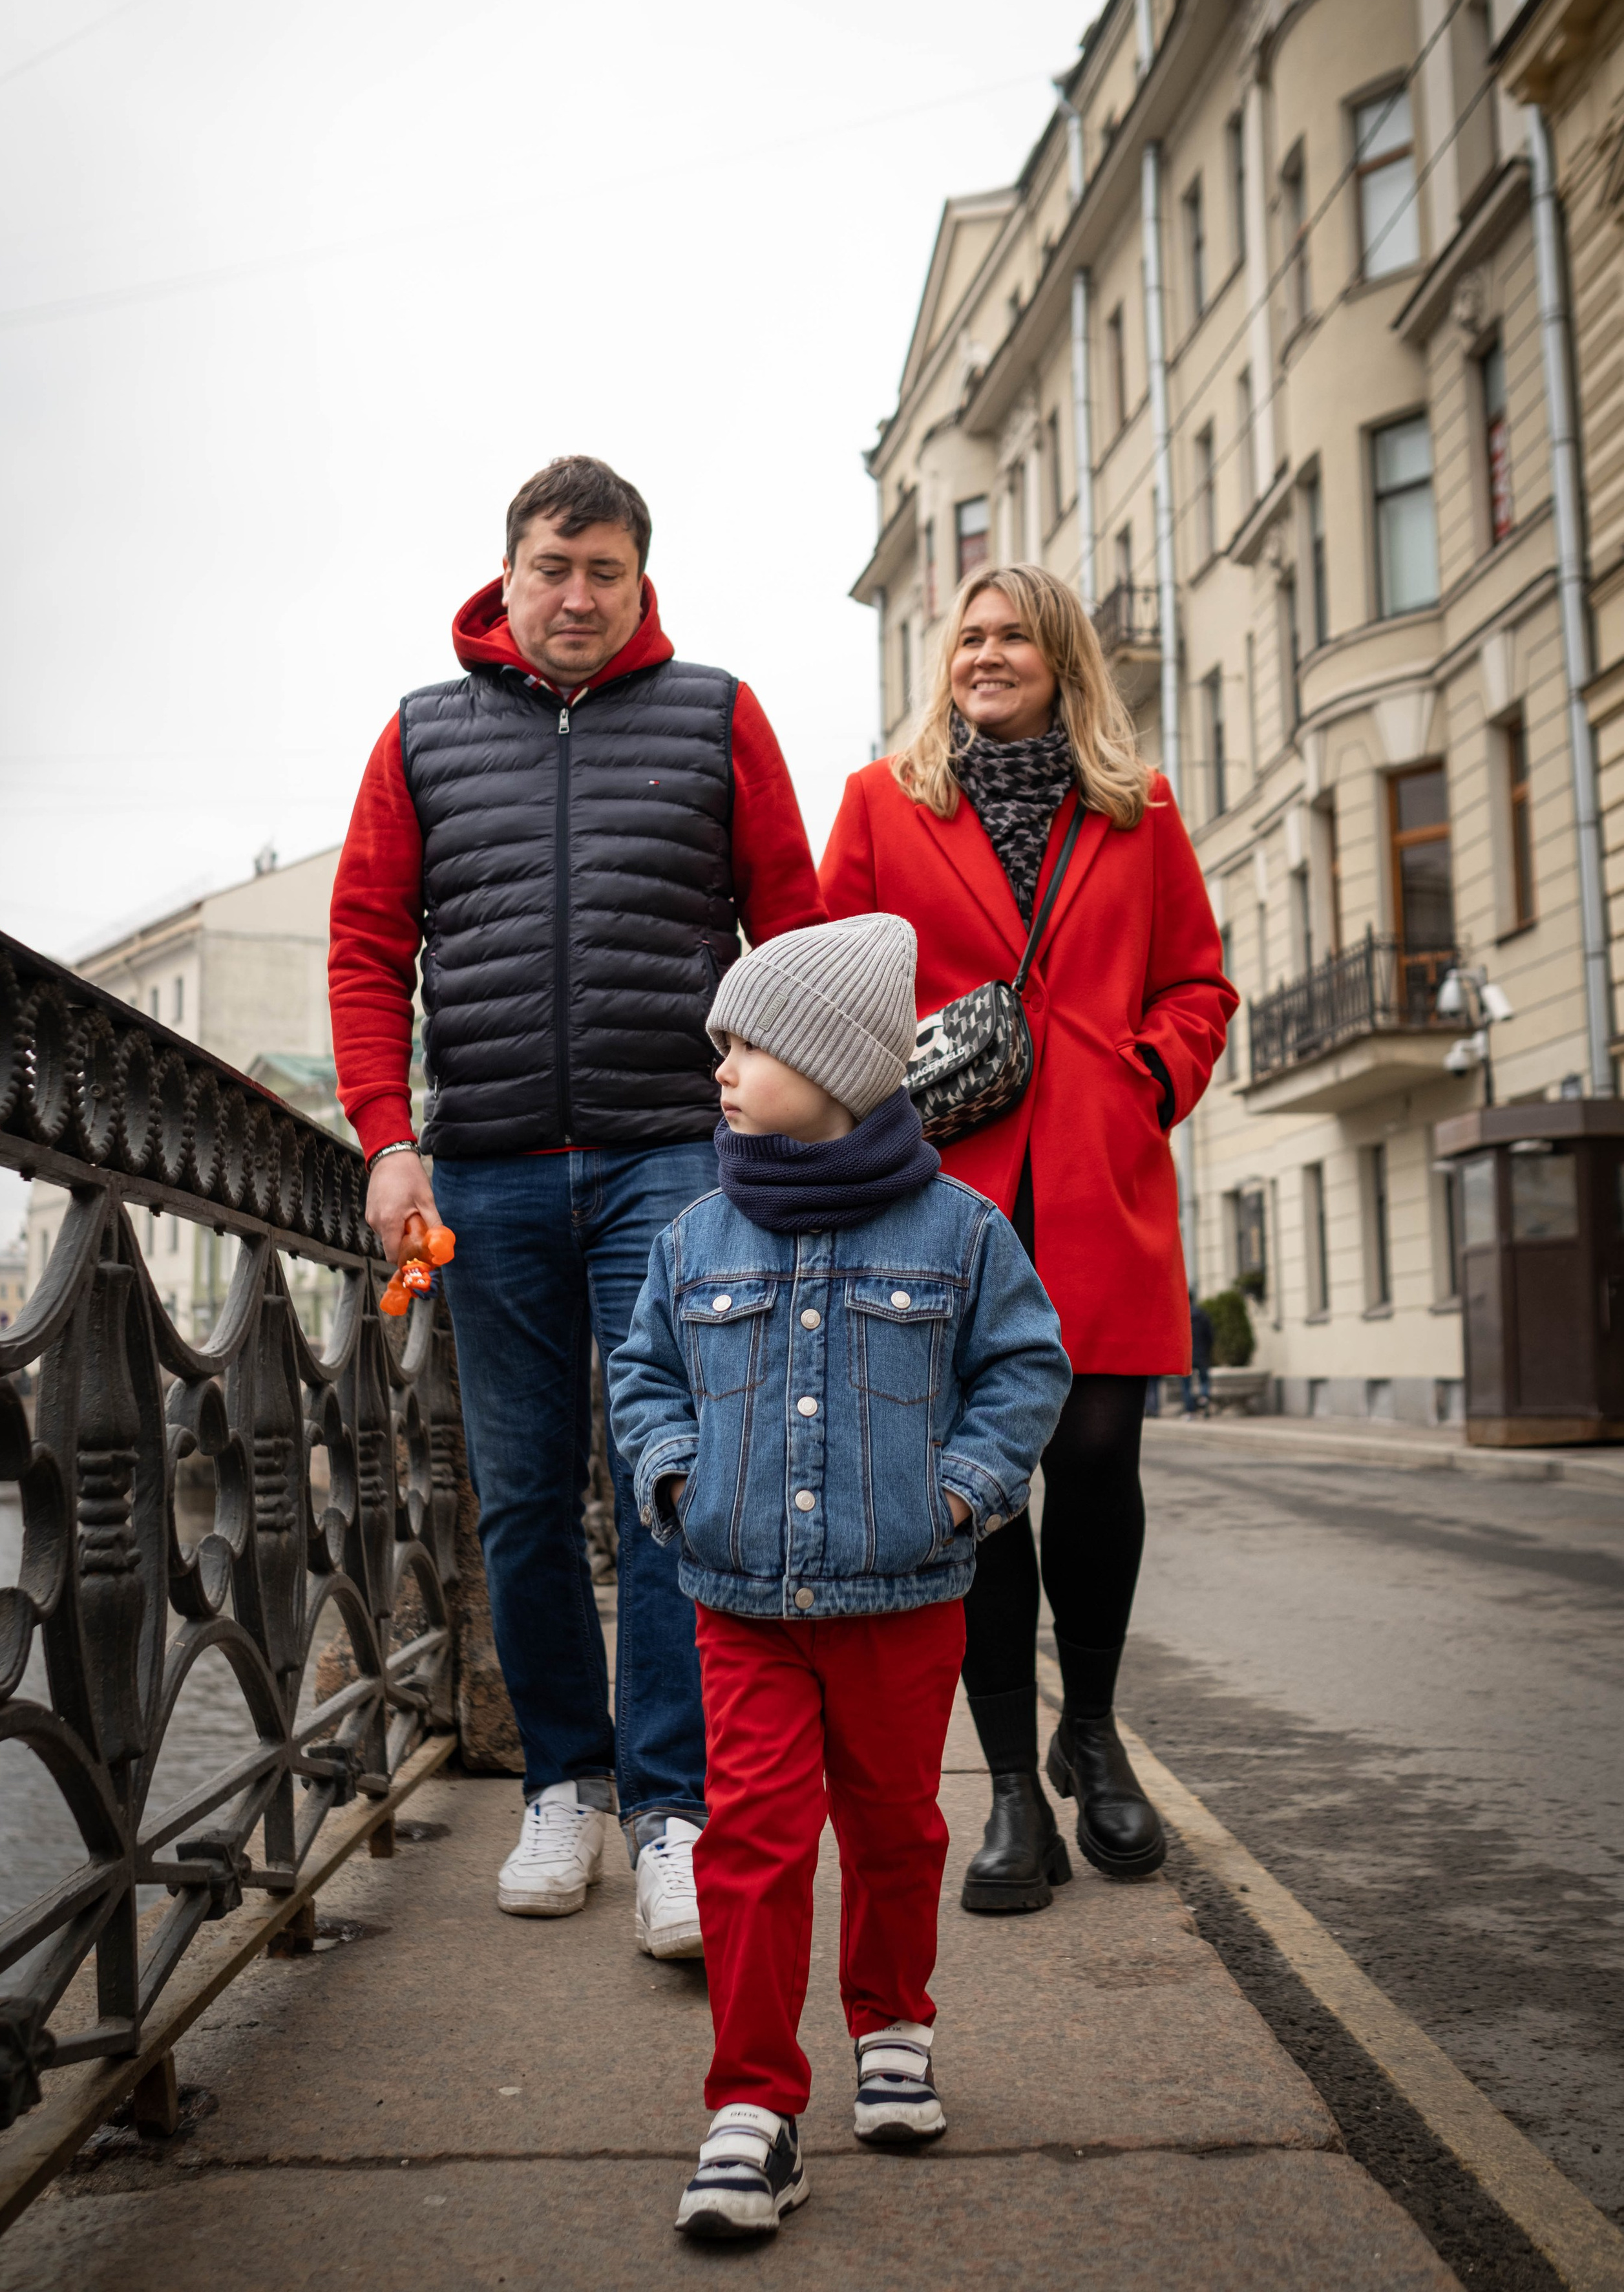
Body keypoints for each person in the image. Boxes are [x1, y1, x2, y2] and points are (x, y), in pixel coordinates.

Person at [329, 454, 825, 1951]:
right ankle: (565, 1782)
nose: (577, 594)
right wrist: (384, 1136)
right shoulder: (422, 733)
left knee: (670, 1479)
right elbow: (366, 945)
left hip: (672, 1158)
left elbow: (788, 925)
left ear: (639, 578)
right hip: (479, 1163)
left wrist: (779, 1118)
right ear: (510, 570)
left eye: (605, 569)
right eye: (554, 565)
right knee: (527, 1491)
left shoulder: (716, 713)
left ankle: (674, 1808)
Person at [607, 915, 1070, 2240]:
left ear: (838, 1064)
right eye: (722, 1045)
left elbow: (1022, 1372)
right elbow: (641, 1378)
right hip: (740, 1603)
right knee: (747, 1845)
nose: (723, 1067)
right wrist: (677, 1478)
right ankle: (750, 2109)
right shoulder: (696, 1236)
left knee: (893, 1825)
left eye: (749, 1044)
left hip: (906, 1595)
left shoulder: (960, 1233)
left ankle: (893, 2026)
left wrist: (961, 1494)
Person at [821, 564, 1234, 1909]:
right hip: (941, 1192)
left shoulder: (1138, 807)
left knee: (1097, 1459)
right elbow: (826, 982)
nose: (985, 655)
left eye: (1011, 638)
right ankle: (1007, 1788)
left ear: (1060, 661)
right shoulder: (882, 806)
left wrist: (1148, 1078)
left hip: (1099, 1180)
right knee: (980, 1492)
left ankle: (1093, 1733)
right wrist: (871, 1115)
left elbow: (1196, 983)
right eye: (968, 638)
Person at [1185, 1296, 1215, 1416]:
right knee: (1204, 1381)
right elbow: (1210, 1336)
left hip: (1188, 1356)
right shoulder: (1203, 1316)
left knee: (1187, 1385)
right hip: (1202, 1354)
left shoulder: (1183, 1317)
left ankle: (1190, 1411)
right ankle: (1205, 1400)